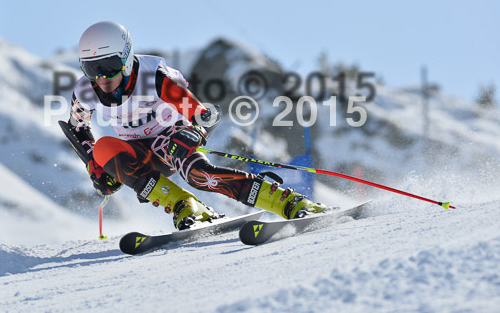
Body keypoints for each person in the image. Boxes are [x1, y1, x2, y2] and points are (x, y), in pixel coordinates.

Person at [64, 21, 326, 230]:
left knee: (200, 176)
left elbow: (205, 115)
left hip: (170, 140)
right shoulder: (86, 91)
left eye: (108, 66)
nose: (101, 77)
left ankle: (287, 201)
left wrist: (193, 134)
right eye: (91, 68)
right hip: (137, 155)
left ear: (126, 56)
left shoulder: (153, 78)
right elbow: (77, 129)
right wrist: (93, 166)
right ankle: (186, 206)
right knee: (103, 148)